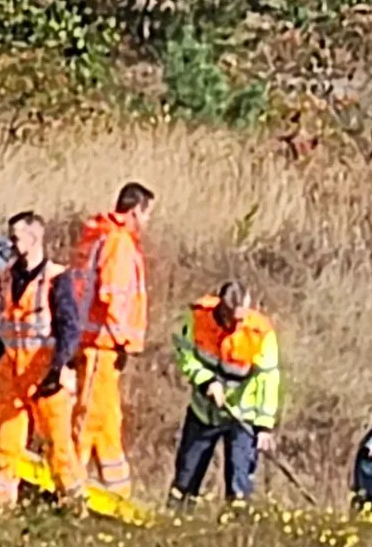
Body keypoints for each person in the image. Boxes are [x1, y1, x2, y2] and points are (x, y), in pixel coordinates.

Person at [0, 210, 90, 510]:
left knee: (59, 448)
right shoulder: (7, 276)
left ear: (34, 239)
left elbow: (70, 328)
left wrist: (57, 369)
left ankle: (73, 506)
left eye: (16, 238)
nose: (11, 244)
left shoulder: (57, 279)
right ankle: (1, 511)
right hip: (11, 375)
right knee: (5, 447)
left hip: (46, 376)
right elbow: (2, 325)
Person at [69, 183, 154, 497]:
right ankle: (70, 488)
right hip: (101, 345)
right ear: (135, 211)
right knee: (88, 418)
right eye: (147, 214)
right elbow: (112, 295)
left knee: (108, 420)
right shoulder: (118, 242)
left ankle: (117, 493)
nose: (147, 223)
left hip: (102, 345)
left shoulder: (107, 236)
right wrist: (122, 340)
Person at [172, 280, 282, 502]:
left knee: (239, 488)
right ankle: (178, 520)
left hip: (242, 418)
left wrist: (264, 425)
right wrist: (206, 381)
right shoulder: (197, 318)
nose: (238, 323)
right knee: (184, 482)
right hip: (204, 413)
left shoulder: (261, 333)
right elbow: (184, 354)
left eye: (243, 317)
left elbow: (268, 379)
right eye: (234, 317)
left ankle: (236, 531)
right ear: (222, 308)